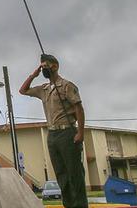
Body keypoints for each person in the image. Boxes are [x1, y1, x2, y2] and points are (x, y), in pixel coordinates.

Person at [19, 54, 87, 208]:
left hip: (67, 132)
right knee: (61, 174)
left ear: (55, 66)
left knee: (74, 173)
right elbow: (23, 90)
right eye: (42, 66)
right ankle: (69, 205)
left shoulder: (66, 86)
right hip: (52, 135)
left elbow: (79, 108)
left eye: (45, 66)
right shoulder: (44, 89)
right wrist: (34, 74)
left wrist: (80, 133)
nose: (43, 69)